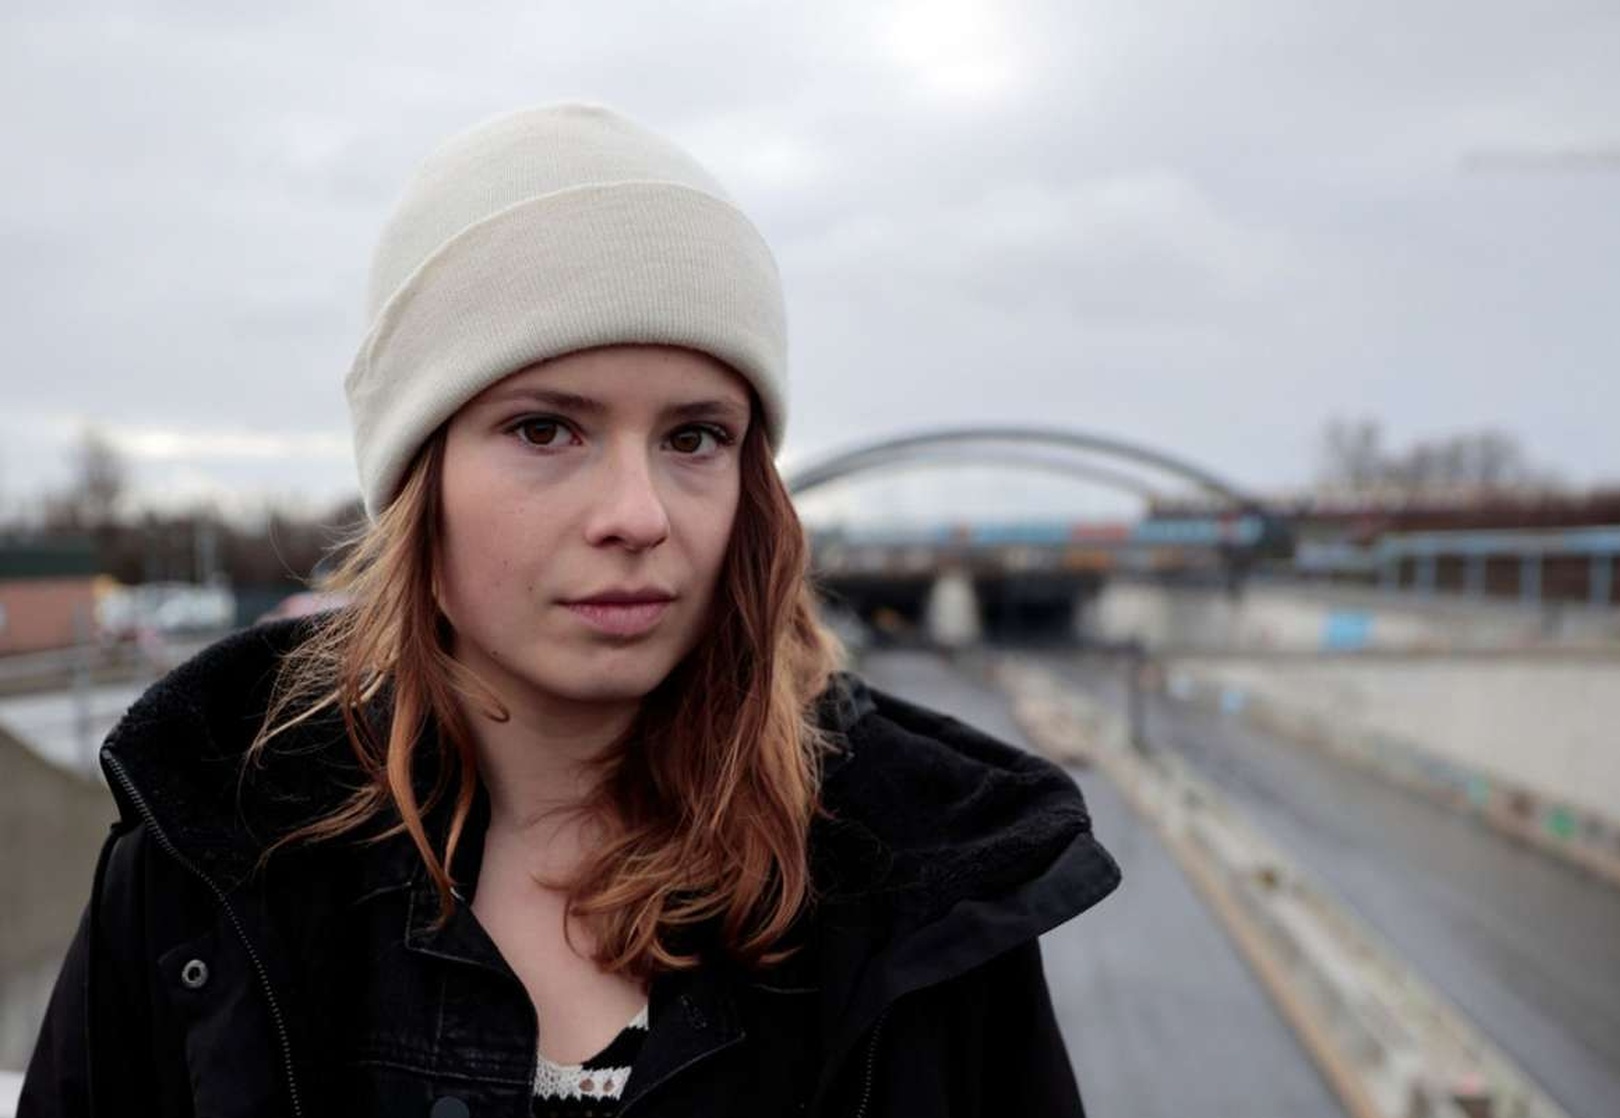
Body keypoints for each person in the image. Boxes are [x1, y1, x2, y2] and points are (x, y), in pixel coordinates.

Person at [20, 103, 1120, 1118]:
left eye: (695, 436)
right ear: (416, 479)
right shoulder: (208, 862)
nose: (638, 514)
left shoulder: (931, 885)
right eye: (545, 428)